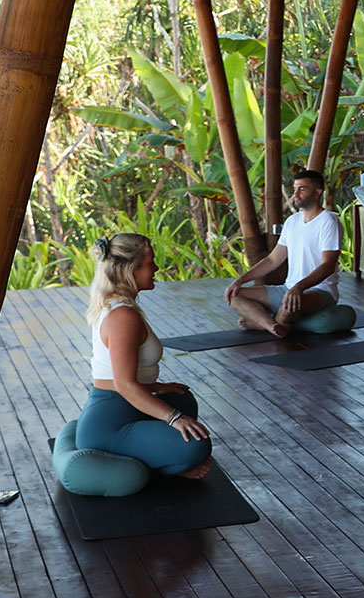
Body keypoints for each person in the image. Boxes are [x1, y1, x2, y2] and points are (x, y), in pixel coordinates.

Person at [76, 233, 212, 477]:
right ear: (131, 269)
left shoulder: (120, 306)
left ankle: (160, 459)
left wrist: (158, 387)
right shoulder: (122, 317)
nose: (157, 268)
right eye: (151, 262)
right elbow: (124, 385)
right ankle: (162, 468)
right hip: (110, 423)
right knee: (196, 444)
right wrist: (174, 418)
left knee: (183, 399)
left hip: (124, 405)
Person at [225, 169, 342, 337]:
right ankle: (271, 325)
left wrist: (299, 287)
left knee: (291, 304)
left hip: (319, 291)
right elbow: (273, 260)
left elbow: (328, 266)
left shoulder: (328, 222)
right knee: (234, 295)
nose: (295, 193)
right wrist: (240, 280)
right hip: (288, 289)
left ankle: (264, 323)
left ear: (317, 192)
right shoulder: (292, 221)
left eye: (302, 188)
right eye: (295, 188)